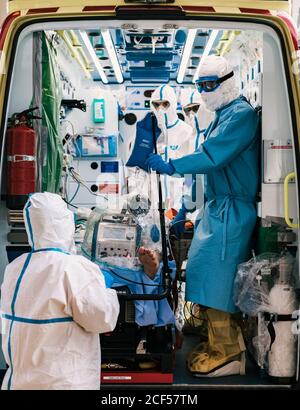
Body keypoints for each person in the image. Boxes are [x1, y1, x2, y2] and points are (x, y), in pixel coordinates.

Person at [146, 55, 259, 376]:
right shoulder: (222, 115)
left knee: (216, 276)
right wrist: (186, 206)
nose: (204, 92)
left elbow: (211, 155)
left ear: (228, 81)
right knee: (198, 268)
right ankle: (213, 334)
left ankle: (229, 353)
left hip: (232, 209)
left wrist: (171, 165)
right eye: (200, 87)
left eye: (210, 85)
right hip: (217, 207)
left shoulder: (241, 116)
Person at [1, 192, 120, 390]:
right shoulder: (73, 267)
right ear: (65, 223)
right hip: (64, 380)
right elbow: (102, 319)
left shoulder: (15, 268)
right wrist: (106, 290)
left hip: (20, 381)